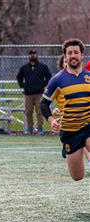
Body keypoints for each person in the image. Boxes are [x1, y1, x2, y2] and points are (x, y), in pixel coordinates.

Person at [40, 38, 90, 181]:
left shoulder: (88, 76)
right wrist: (52, 120)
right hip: (70, 132)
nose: (73, 55)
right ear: (65, 56)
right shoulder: (57, 80)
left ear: (81, 56)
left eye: (76, 52)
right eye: (69, 53)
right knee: (77, 176)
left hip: (88, 125)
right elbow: (44, 104)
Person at [17, 49, 52, 135]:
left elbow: (49, 76)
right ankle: (29, 128)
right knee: (28, 112)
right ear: (28, 56)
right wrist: (23, 85)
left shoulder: (43, 67)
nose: (32, 55)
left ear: (37, 55)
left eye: (34, 54)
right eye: (31, 54)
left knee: (39, 111)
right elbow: (19, 77)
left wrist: (43, 84)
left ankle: (40, 129)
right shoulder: (24, 68)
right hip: (28, 94)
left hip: (39, 93)